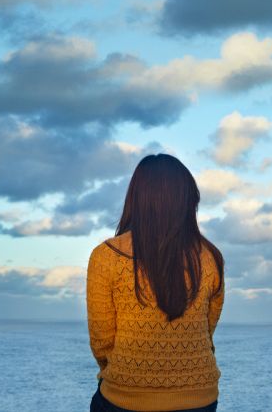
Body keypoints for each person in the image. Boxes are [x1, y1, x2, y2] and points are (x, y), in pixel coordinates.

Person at [87, 153, 226, 412]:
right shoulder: (210, 256)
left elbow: (102, 340)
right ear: (187, 200)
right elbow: (207, 330)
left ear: (136, 199)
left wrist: (129, 375)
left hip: (124, 398)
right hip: (199, 397)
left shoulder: (107, 256)